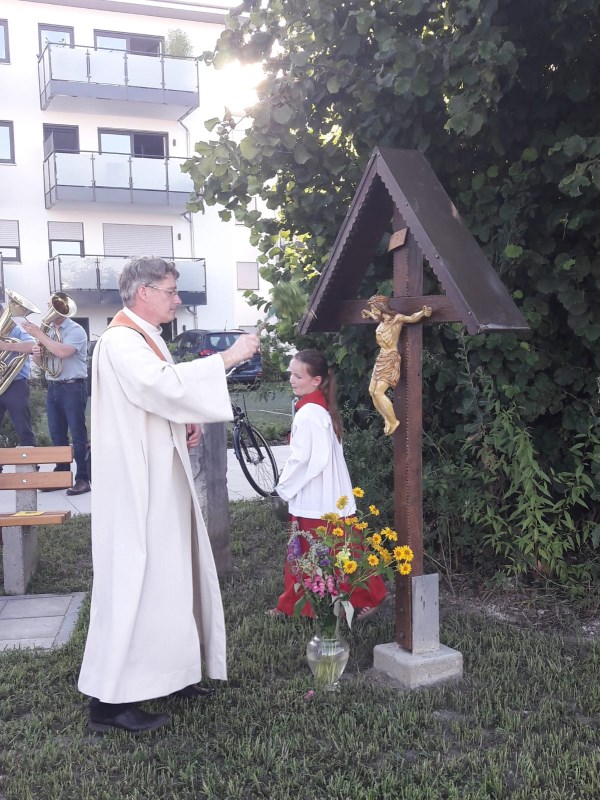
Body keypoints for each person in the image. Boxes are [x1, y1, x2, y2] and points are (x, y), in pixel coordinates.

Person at [77, 256, 259, 734]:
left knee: (170, 576)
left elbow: (157, 400)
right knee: (138, 577)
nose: (177, 300)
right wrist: (230, 357)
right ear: (143, 293)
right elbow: (159, 384)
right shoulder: (120, 340)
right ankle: (110, 703)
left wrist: (184, 423)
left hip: (159, 475)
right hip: (139, 484)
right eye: (171, 290)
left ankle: (170, 674)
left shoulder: (144, 337)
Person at [271, 349, 388, 621]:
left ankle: (356, 599)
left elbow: (303, 460)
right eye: (291, 373)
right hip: (331, 494)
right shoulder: (321, 409)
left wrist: (283, 488)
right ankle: (303, 604)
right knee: (342, 549)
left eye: (298, 375)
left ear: (316, 381)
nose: (291, 379)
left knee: (310, 552)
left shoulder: (309, 414)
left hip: (316, 497)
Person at [23, 295, 91, 495]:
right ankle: (61, 476)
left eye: (54, 308)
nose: (50, 311)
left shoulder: (75, 330)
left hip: (73, 386)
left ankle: (83, 479)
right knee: (57, 434)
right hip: (53, 386)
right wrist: (36, 354)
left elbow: (63, 352)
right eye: (49, 306)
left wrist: (39, 335)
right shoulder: (50, 332)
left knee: (78, 435)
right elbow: (42, 363)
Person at [361, 295, 432, 435]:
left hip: (390, 358)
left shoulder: (396, 319)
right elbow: (376, 318)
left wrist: (423, 313)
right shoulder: (381, 319)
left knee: (378, 392)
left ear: (381, 308)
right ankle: (386, 418)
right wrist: (368, 314)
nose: (373, 311)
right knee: (371, 391)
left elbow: (411, 318)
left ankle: (394, 421)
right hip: (381, 357)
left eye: (374, 309)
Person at [0, 312, 36, 450]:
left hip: (16, 383)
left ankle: (30, 466)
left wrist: (6, 347)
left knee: (23, 426)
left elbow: (33, 345)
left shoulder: (18, 327)